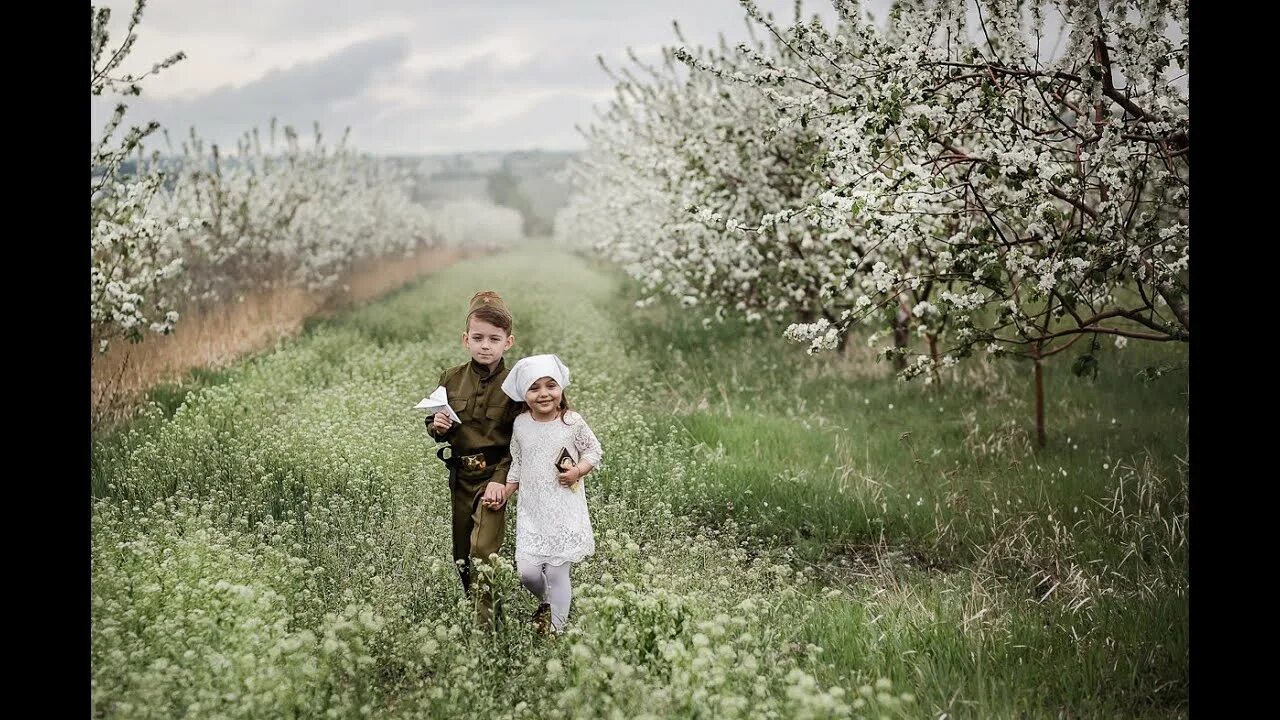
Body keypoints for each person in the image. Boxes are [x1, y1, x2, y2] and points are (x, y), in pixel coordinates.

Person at [425, 291, 520, 618]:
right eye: (478, 337)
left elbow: (520, 440)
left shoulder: (515, 384)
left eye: (494, 339)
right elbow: (436, 422)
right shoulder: (450, 378)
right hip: (462, 477)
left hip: (495, 476)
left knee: (483, 551)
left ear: (508, 342)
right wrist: (437, 426)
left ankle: (485, 627)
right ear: (466, 339)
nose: (485, 345)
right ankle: (477, 605)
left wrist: (502, 481)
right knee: (463, 555)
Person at [499, 354, 603, 633]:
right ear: (524, 394)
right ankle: (551, 603)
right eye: (534, 388)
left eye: (550, 386)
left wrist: (577, 471)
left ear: (561, 389)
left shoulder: (571, 421)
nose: (544, 393)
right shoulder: (520, 424)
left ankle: (555, 629)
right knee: (526, 573)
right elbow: (518, 464)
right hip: (532, 510)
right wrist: (505, 492)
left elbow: (594, 451)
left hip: (564, 507)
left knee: (558, 572)